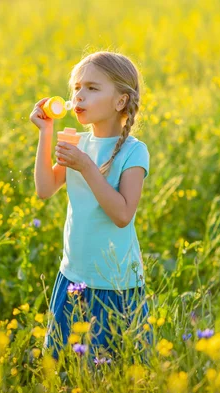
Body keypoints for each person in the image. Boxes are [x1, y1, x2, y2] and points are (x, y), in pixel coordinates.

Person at [30, 51, 153, 362]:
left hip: (114, 283)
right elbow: (45, 189)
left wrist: (86, 167)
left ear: (121, 101)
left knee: (110, 369)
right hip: (74, 275)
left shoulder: (133, 152)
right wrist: (46, 133)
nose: (79, 96)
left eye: (92, 88)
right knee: (66, 369)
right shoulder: (77, 142)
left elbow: (123, 214)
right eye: (76, 88)